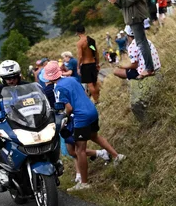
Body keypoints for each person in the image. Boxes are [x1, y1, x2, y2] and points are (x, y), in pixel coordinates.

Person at [43, 61, 124, 191]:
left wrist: (64, 117)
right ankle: (116, 156)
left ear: (48, 77)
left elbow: (68, 108)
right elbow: (85, 94)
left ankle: (84, 183)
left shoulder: (58, 88)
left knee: (79, 150)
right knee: (94, 136)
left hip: (81, 117)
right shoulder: (72, 79)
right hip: (92, 110)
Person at [107, 0, 155, 78]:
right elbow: (124, 2)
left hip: (135, 14)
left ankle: (149, 69)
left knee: (141, 42)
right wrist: (116, 1)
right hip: (130, 15)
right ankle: (147, 67)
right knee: (140, 41)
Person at [0, 60, 28, 192]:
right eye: (7, 78)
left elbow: (41, 101)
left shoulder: (29, 86)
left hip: (29, 122)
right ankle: (1, 171)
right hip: (8, 124)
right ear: (2, 78)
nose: (11, 80)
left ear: (19, 75)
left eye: (13, 77)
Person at [76, 25, 100, 103]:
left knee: (90, 84)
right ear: (84, 31)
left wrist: (78, 67)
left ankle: (96, 100)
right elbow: (95, 52)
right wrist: (97, 63)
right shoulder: (91, 40)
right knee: (95, 82)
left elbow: (80, 56)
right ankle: (98, 98)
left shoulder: (80, 43)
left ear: (77, 33)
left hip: (86, 65)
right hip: (93, 63)